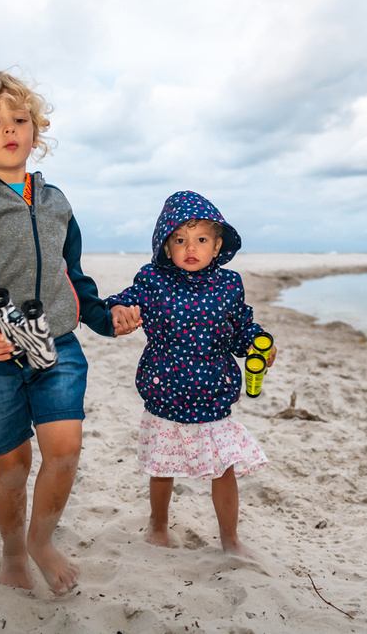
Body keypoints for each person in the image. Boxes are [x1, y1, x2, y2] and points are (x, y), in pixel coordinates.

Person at [0, 68, 135, 595]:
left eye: (19, 119)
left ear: (36, 131)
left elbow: (74, 274)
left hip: (58, 343)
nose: (8, 129)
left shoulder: (57, 201)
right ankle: (12, 550)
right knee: (13, 464)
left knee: (64, 449)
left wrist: (103, 318)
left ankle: (42, 541)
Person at [106, 191, 276, 556]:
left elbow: (242, 327)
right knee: (162, 467)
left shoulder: (229, 285)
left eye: (201, 239)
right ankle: (158, 524)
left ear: (217, 246)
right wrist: (119, 309)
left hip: (214, 394)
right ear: (166, 247)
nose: (190, 247)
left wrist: (259, 343)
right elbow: (123, 299)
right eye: (180, 240)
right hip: (165, 390)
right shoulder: (153, 281)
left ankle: (230, 539)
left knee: (223, 468)